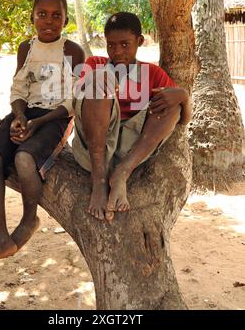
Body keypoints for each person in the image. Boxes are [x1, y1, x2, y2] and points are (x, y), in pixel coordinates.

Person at [0, 0, 84, 279]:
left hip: (57, 117)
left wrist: (41, 122)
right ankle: (0, 238)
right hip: (27, 112)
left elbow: (76, 98)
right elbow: (18, 90)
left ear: (65, 18)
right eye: (42, 14)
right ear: (32, 17)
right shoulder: (26, 48)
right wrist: (19, 118)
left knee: (24, 159)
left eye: (56, 15)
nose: (49, 20)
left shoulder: (72, 51)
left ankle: (29, 220)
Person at [72, 12, 192, 222]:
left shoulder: (152, 73)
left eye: (125, 45)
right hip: (94, 146)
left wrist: (183, 96)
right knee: (95, 88)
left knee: (172, 105)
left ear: (139, 41)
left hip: (130, 147)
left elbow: (182, 119)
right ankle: (99, 181)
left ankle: (122, 173)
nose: (117, 52)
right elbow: (78, 93)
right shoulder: (95, 63)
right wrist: (97, 78)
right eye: (111, 45)